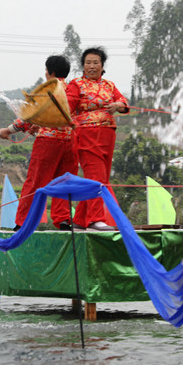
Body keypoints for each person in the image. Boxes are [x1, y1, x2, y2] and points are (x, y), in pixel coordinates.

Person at [0, 55, 77, 230]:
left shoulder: (48, 90)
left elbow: (29, 117)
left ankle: (24, 222)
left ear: (50, 72)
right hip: (71, 142)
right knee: (65, 182)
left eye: (46, 70)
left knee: (35, 182)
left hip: (48, 142)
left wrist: (7, 130)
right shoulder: (74, 89)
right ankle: (63, 219)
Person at [65, 47, 128, 230]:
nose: (92, 66)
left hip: (108, 135)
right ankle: (94, 219)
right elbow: (67, 106)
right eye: (88, 63)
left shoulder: (109, 85)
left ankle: (80, 219)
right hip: (86, 135)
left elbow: (123, 102)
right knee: (95, 176)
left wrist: (117, 105)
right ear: (83, 65)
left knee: (102, 176)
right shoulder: (76, 84)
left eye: (95, 63)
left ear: (102, 66)